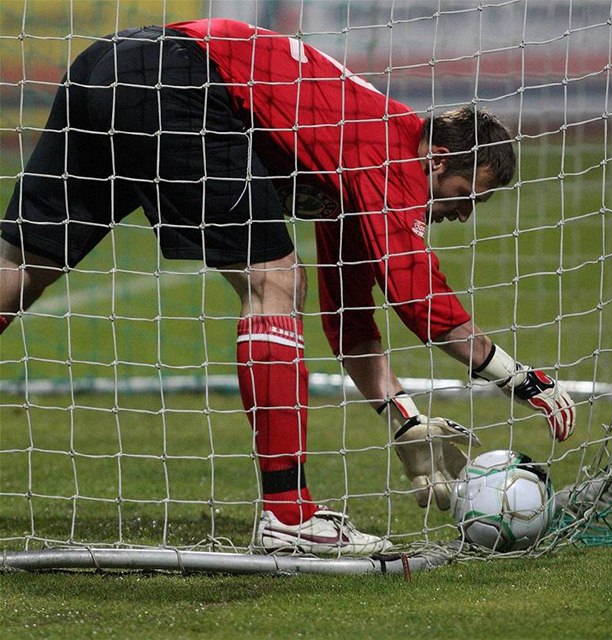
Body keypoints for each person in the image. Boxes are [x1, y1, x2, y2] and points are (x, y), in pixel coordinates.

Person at [0, 19, 576, 556]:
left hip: (107, 65)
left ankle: (289, 512)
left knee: (23, 266)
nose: (464, 215)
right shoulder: (392, 157)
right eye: (464, 196)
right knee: (275, 280)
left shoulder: (352, 155)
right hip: (181, 79)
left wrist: (402, 416)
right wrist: (524, 381)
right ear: (439, 159)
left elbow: (349, 318)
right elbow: (421, 304)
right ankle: (289, 515)